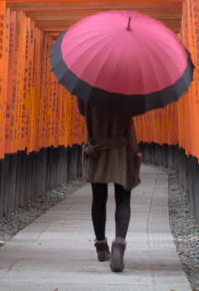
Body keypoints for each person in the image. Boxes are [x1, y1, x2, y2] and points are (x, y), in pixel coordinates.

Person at [77, 97, 142, 273]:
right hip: (122, 147)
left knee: (98, 198)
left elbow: (82, 111)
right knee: (123, 198)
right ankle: (119, 246)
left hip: (97, 148)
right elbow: (138, 109)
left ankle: (101, 245)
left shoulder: (87, 86)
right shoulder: (127, 85)